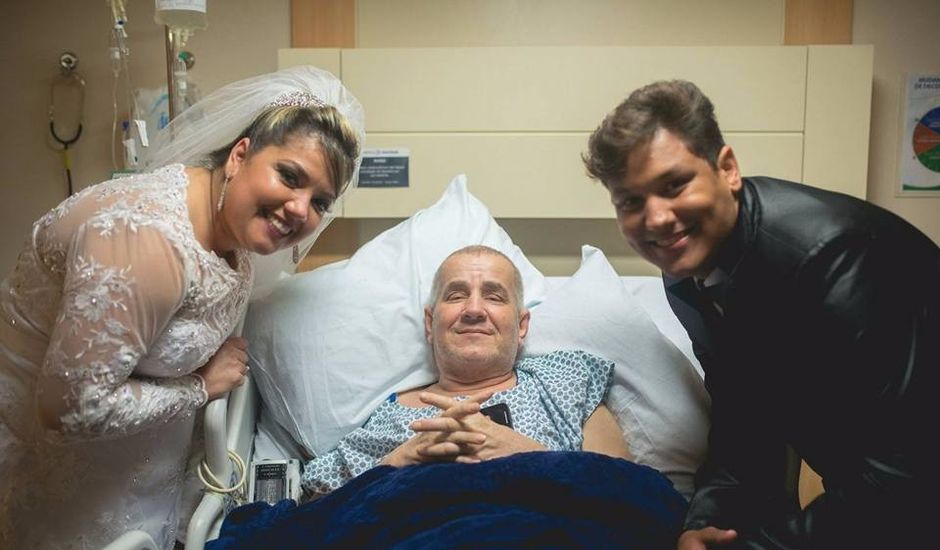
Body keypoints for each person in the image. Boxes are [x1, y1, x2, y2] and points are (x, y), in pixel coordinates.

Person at [0, 65, 364, 549]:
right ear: (240, 155)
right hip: (55, 468)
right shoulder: (145, 244)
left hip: (140, 468)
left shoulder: (232, 231)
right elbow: (69, 409)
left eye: (320, 200)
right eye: (289, 176)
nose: (301, 210)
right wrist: (200, 387)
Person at [582, 79, 939, 549]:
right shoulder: (687, 272)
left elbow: (904, 477)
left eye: (675, 185)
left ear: (727, 169)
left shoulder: (836, 258)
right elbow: (744, 415)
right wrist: (705, 522)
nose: (657, 219)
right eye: (630, 202)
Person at [301, 245, 631, 498]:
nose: (473, 310)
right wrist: (394, 465)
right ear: (430, 324)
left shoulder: (563, 383)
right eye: (457, 295)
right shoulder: (391, 415)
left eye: (494, 296)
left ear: (521, 325)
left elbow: (632, 496)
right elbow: (311, 515)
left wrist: (528, 457)